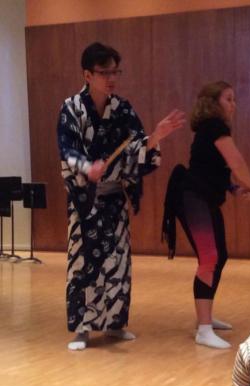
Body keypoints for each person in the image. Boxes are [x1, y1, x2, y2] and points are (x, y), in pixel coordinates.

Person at [57, 42, 185, 351]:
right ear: (88, 74)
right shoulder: (71, 108)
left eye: (116, 71)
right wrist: (87, 167)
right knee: (83, 262)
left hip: (114, 200)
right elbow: (68, 149)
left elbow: (136, 145)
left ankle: (114, 324)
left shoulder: (122, 109)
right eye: (105, 72)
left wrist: (155, 137)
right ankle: (83, 329)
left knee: (117, 262)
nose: (112, 78)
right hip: (85, 202)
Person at [163, 81, 250, 349]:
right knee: (209, 259)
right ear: (213, 103)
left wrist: (232, 187)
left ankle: (204, 317)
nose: (234, 104)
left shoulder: (210, 130)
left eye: (234, 99)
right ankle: (204, 329)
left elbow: (211, 168)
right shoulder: (215, 128)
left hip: (203, 197)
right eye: (228, 99)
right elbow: (236, 161)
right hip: (193, 198)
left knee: (220, 256)